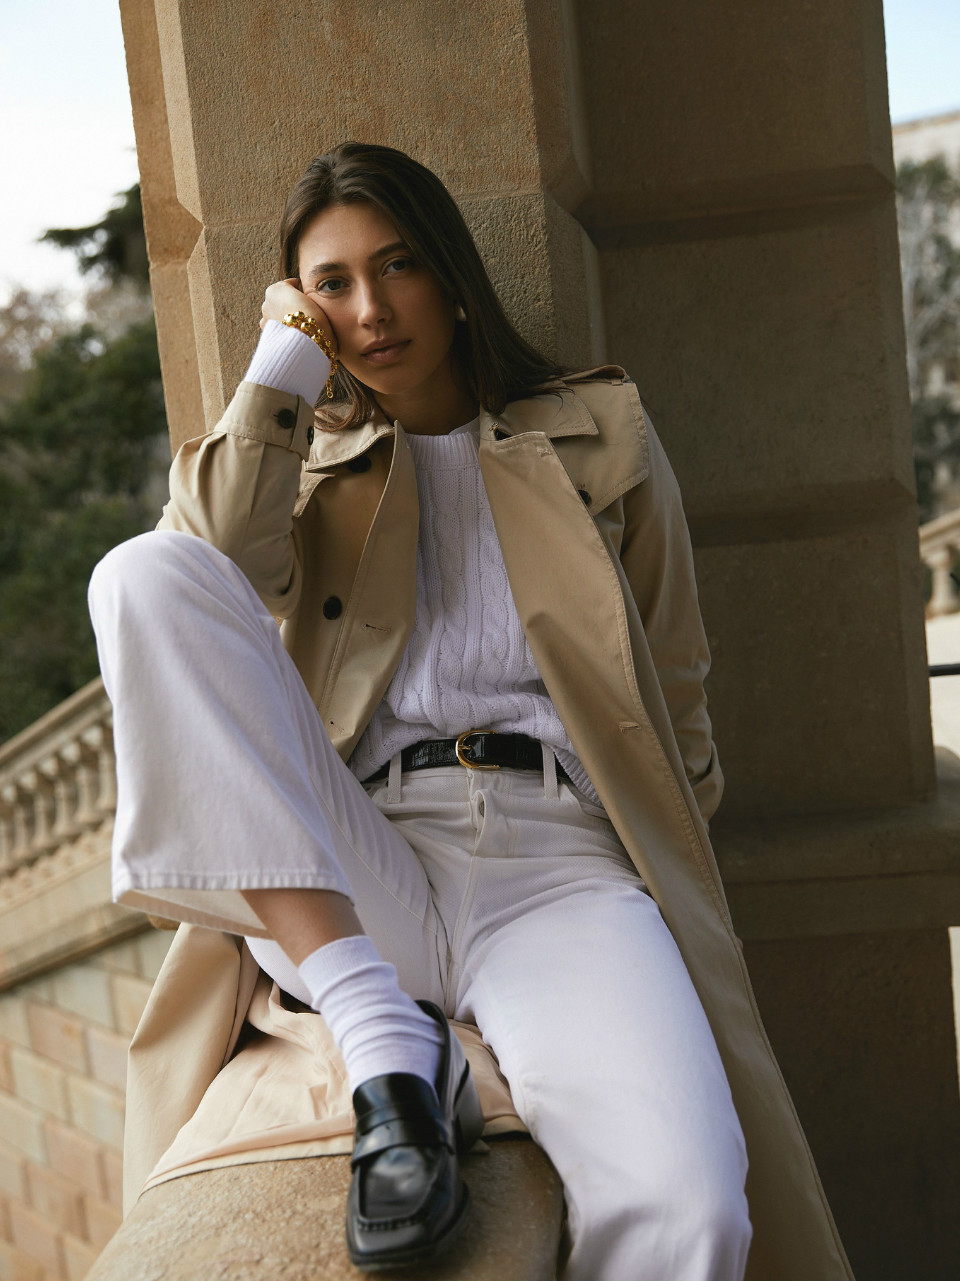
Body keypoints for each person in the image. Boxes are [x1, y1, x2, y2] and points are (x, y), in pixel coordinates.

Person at [88, 142, 851, 1281]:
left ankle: (412, 1038)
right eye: (333, 284)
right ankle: (377, 1026)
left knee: (691, 1208)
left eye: (397, 265)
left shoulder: (599, 436)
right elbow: (203, 562)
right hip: (366, 856)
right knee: (140, 572)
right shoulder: (301, 464)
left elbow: (674, 673)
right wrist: (283, 358)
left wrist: (665, 853)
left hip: (561, 863)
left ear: (450, 275)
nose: (371, 309)